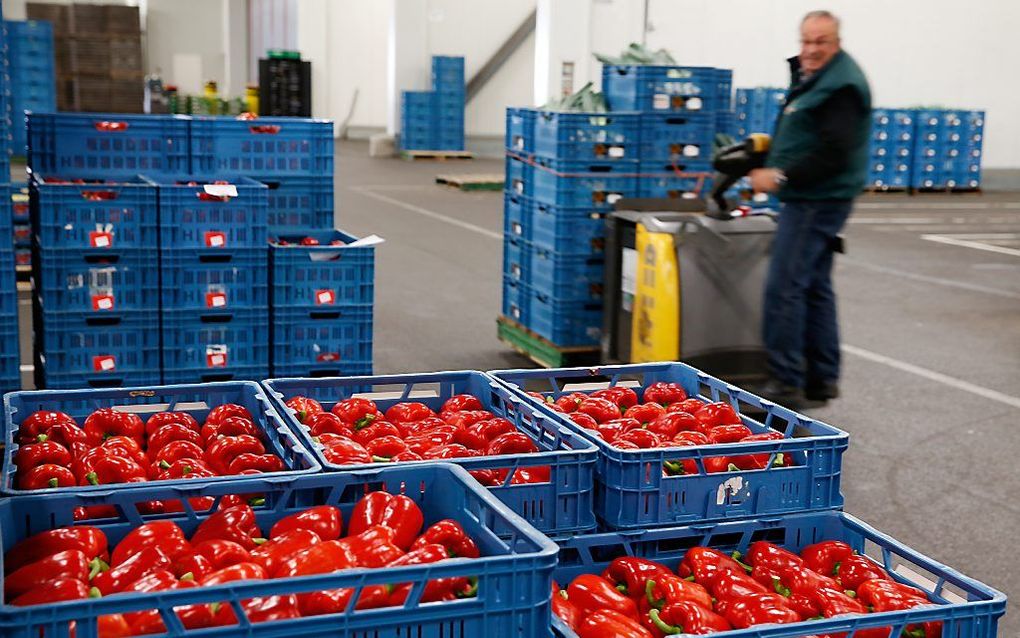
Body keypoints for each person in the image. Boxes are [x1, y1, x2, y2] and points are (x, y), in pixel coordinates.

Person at [748, 10, 871, 408]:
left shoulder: (842, 86)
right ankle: (820, 378)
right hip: (813, 197)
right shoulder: (819, 78)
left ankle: (785, 382)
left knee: (785, 287)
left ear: (837, 43)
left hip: (815, 200)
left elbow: (835, 152)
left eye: (822, 42)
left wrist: (780, 176)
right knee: (815, 287)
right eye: (807, 41)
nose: (812, 49)